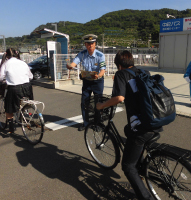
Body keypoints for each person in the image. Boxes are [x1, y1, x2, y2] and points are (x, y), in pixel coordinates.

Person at [96, 50, 163, 200]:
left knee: (127, 166)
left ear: (118, 65)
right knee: (127, 130)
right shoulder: (142, 71)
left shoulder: (121, 74)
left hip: (141, 126)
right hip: (155, 119)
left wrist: (101, 106)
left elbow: (119, 97)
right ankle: (140, 163)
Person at [66, 34, 106, 131]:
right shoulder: (82, 54)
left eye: (92, 43)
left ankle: (97, 123)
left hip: (97, 81)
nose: (90, 46)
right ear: (85, 44)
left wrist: (99, 75)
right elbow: (74, 63)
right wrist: (69, 66)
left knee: (98, 102)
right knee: (85, 102)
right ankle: (86, 123)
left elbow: (103, 69)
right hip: (87, 81)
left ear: (95, 44)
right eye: (88, 44)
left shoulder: (101, 55)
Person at [0, 48, 34, 134]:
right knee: (24, 103)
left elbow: (1, 77)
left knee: (9, 108)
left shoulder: (6, 63)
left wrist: (0, 80)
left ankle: (11, 128)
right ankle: (24, 114)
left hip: (14, 88)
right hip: (27, 87)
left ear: (6, 55)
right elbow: (31, 76)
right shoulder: (23, 63)